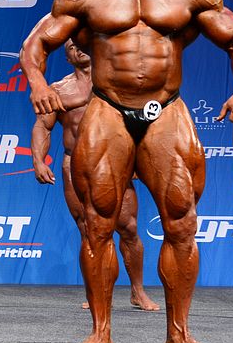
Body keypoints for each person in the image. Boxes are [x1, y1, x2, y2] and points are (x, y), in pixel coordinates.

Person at [20, 0, 233, 343]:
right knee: (98, 224)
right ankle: (100, 333)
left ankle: (179, 336)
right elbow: (36, 44)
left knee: (182, 222)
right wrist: (36, 83)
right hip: (108, 109)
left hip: (165, 111)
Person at [31, 39, 159, 312]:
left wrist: (139, 158)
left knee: (129, 228)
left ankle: (137, 291)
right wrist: (39, 160)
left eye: (81, 43)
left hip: (115, 162)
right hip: (74, 163)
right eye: (71, 47)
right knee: (88, 230)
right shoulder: (58, 90)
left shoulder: (117, 83)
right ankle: (96, 293)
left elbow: (140, 121)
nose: (78, 48)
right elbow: (43, 126)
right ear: (67, 58)